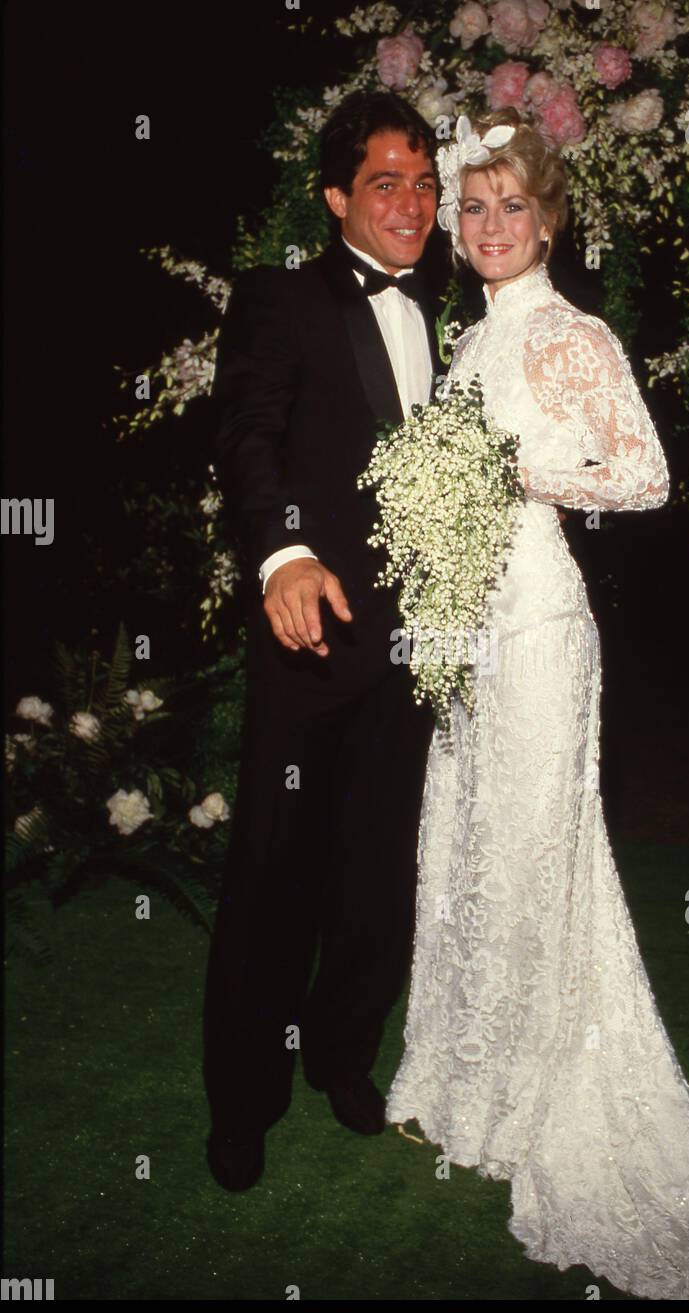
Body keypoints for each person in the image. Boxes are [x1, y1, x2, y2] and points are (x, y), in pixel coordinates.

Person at [385, 108, 689, 1299]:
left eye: (514, 204)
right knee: (463, 844)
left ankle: (532, 1095)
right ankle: (462, 1081)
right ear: (456, 225)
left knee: (530, 846)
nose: (492, 224)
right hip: (466, 628)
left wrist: (512, 475)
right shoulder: (462, 346)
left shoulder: (571, 334)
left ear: (548, 219)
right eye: (475, 205)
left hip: (542, 625)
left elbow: (645, 475)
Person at [202, 92, 441, 1191]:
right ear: (339, 196)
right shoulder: (279, 299)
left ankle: (342, 1056)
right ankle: (242, 1100)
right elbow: (245, 435)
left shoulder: (453, 313)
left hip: (416, 654)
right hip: (309, 641)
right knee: (272, 875)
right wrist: (281, 555)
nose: (412, 202)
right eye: (386, 181)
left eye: (425, 182)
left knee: (374, 875)